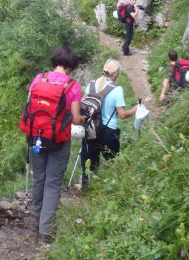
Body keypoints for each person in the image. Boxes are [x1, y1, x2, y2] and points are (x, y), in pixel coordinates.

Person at [26, 46, 84, 242]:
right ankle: (45, 231)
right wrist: (83, 119)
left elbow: (29, 108)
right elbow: (75, 119)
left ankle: (36, 221)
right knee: (52, 183)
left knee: (38, 179)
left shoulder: (38, 79)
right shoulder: (72, 86)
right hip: (59, 141)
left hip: (36, 138)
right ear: (69, 66)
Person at [80, 59, 137, 187]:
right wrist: (135, 109)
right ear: (116, 74)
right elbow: (122, 115)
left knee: (89, 164)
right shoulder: (117, 90)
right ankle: (116, 189)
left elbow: (82, 104)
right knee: (114, 163)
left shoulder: (92, 84)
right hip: (108, 133)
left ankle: (87, 189)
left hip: (91, 130)